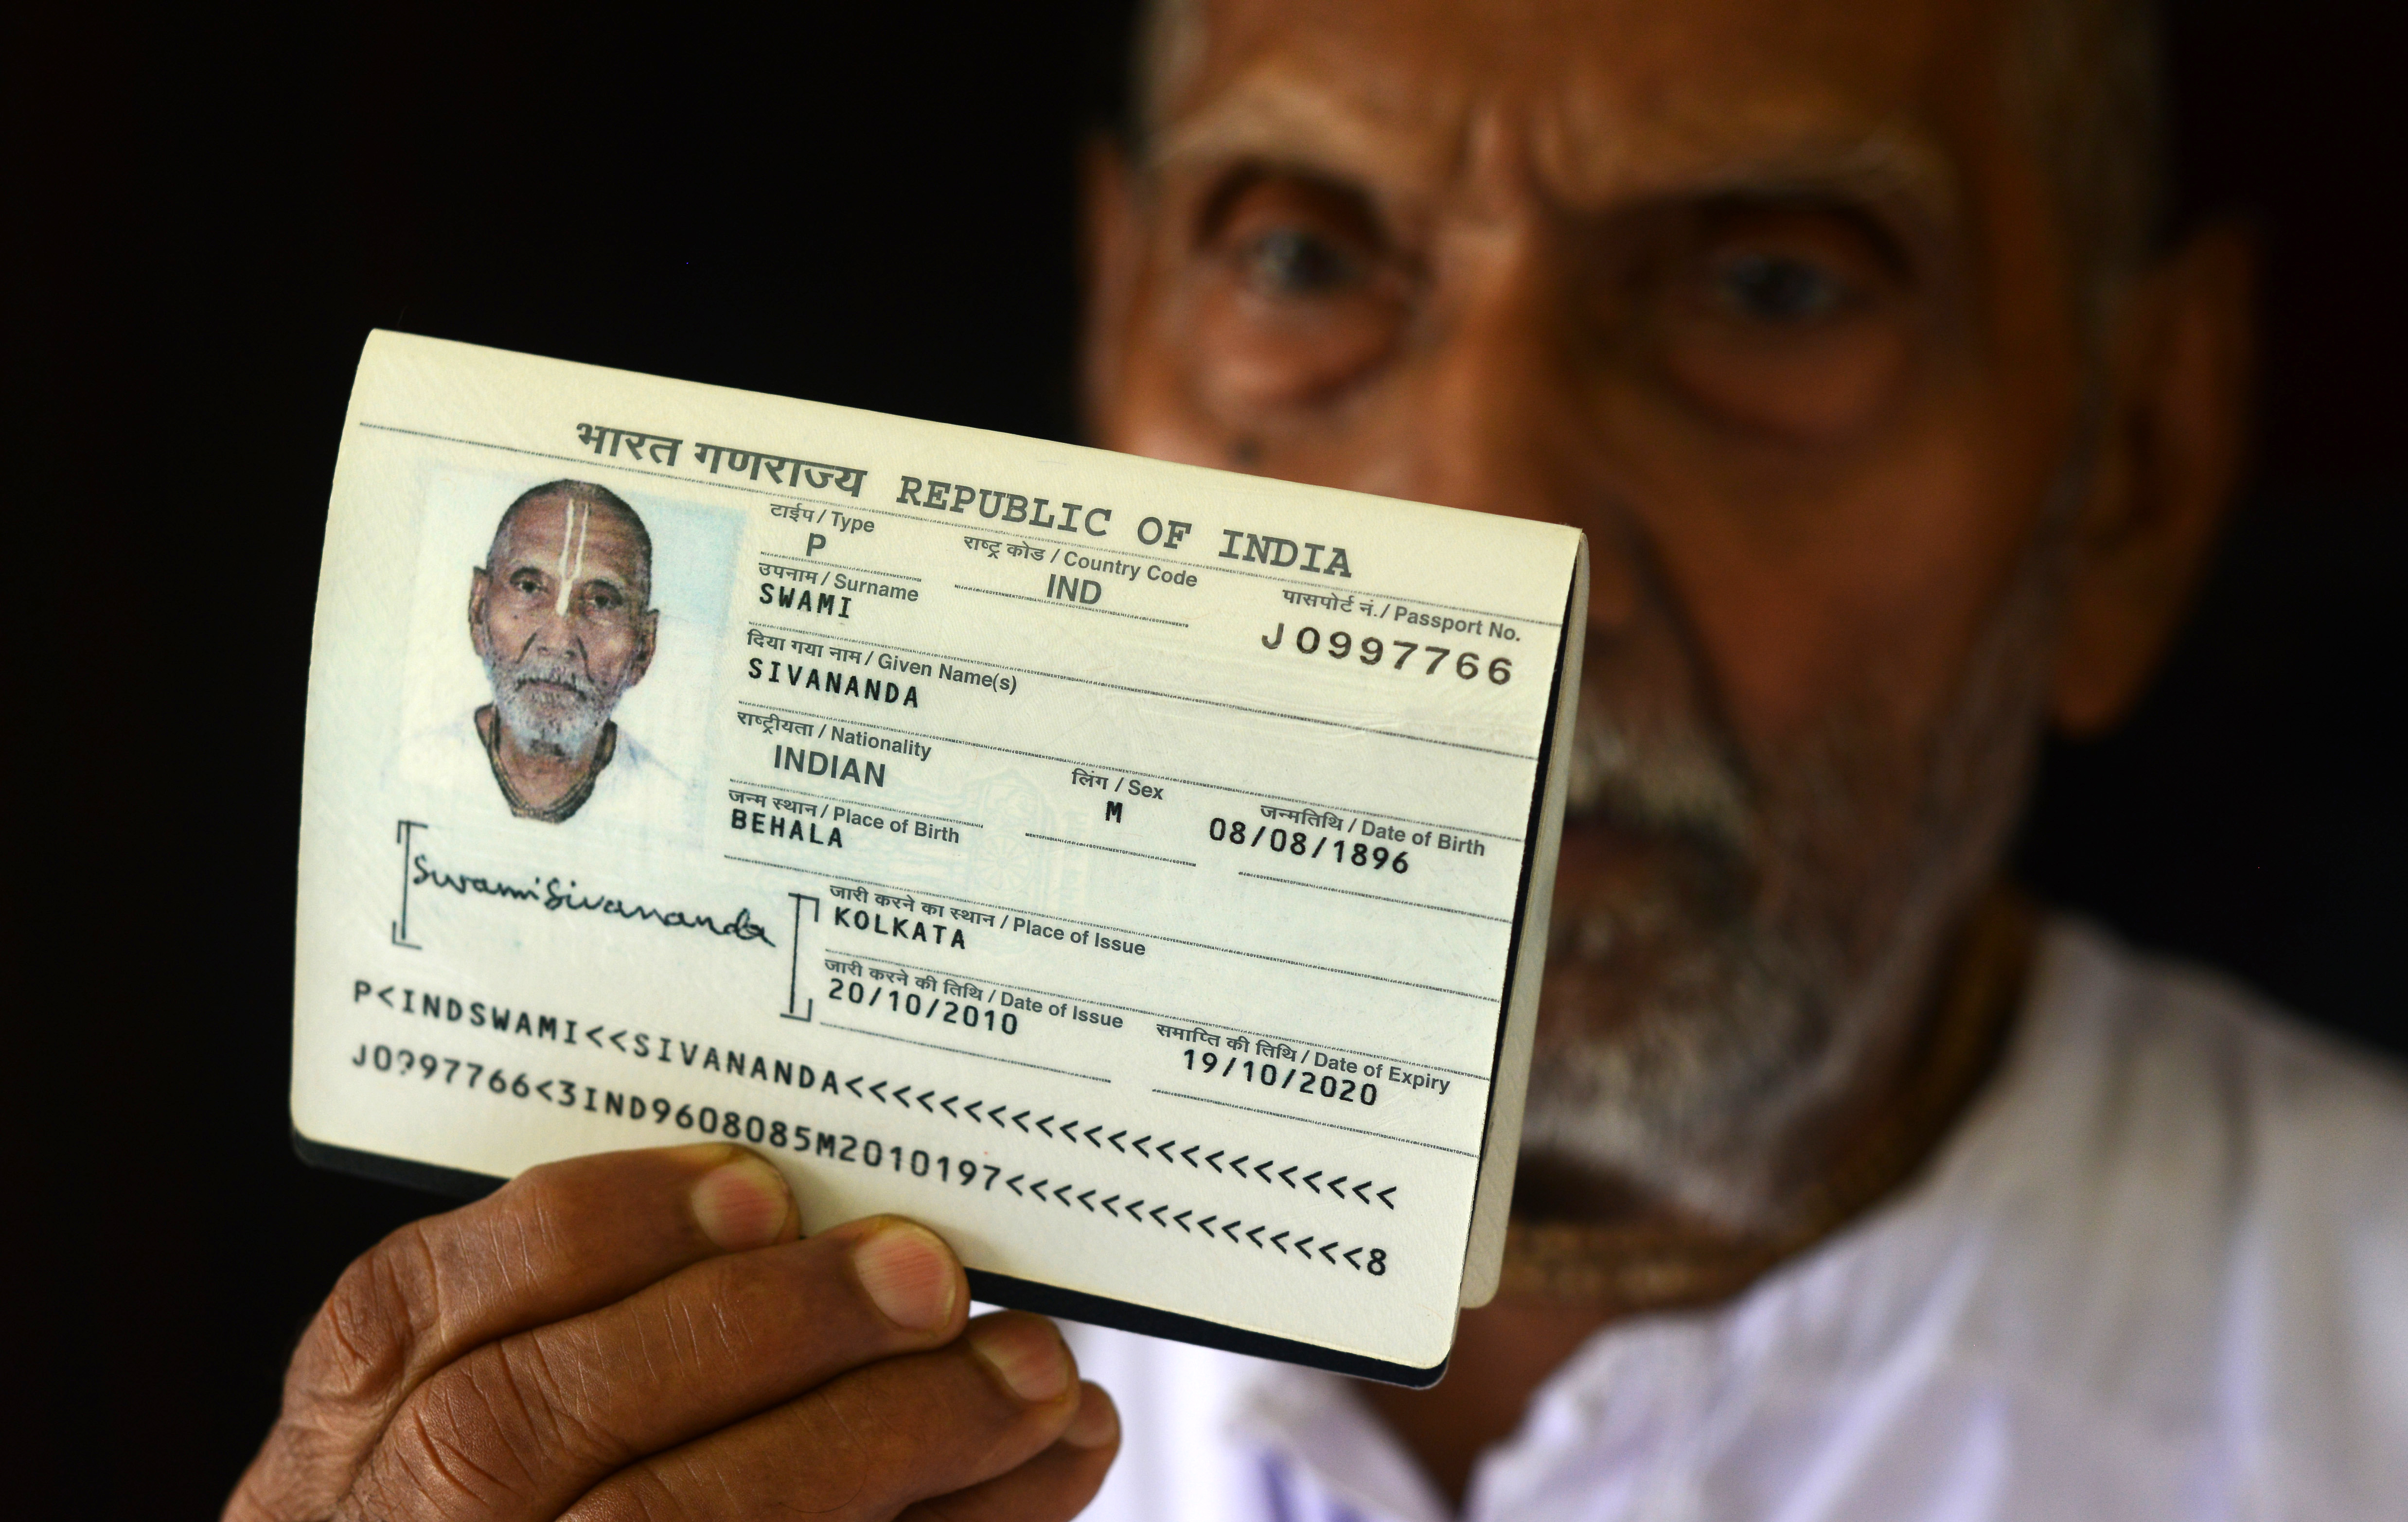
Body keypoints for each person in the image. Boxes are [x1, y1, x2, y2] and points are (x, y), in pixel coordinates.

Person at [229, 0, 2408, 1517]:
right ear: (1112, 343)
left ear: (2131, 460)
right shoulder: (675, 1319)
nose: (1486, 526)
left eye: (1764, 285)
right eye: (1298, 258)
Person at [410, 479, 687, 826]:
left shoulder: (674, 814)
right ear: (478, 611)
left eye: (601, 602)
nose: (558, 643)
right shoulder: (412, 771)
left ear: (644, 647)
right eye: (529, 588)